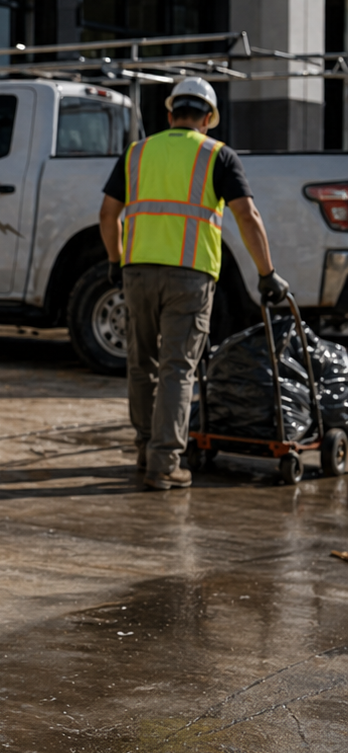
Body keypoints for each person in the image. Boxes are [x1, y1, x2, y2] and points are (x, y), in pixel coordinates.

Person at [98, 77, 287, 491]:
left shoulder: (137, 153)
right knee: (177, 368)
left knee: (140, 364)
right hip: (190, 275)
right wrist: (266, 274)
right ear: (208, 119)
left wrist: (115, 260)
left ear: (170, 115)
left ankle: (145, 448)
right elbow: (247, 217)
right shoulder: (218, 155)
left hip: (137, 273)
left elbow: (107, 214)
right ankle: (165, 463)